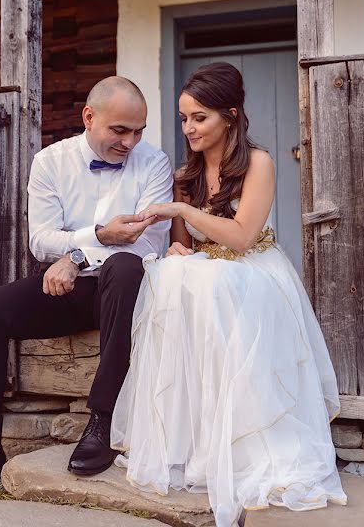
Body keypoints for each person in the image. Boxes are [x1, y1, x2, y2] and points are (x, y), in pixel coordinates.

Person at [110, 62, 347, 527]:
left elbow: (240, 237)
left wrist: (180, 208)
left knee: (214, 282)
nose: (189, 128)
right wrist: (176, 242)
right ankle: (196, 444)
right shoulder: (187, 172)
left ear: (231, 115)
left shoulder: (258, 162)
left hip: (254, 268)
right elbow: (184, 242)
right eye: (183, 118)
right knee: (168, 276)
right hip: (211, 271)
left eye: (200, 117)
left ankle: (247, 443)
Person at [0, 76, 173, 501]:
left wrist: (78, 253)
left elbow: (148, 244)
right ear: (89, 117)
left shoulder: (153, 163)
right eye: (119, 130)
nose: (129, 142)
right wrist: (98, 236)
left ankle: (101, 420)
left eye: (138, 131)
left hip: (130, 293)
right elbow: (41, 240)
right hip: (71, 289)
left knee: (123, 267)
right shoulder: (50, 161)